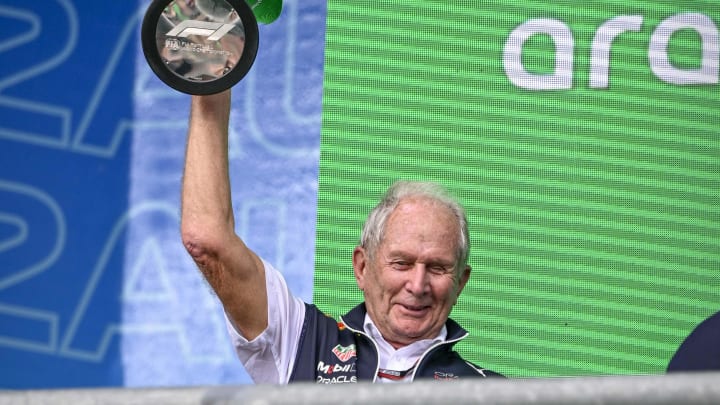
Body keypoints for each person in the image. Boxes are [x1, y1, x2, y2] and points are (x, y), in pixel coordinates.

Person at [180, 90, 503, 383]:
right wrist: (212, 85)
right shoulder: (301, 339)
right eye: (401, 263)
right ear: (362, 267)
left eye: (437, 268)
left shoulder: (492, 393)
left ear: (460, 282)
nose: (417, 286)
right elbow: (207, 240)